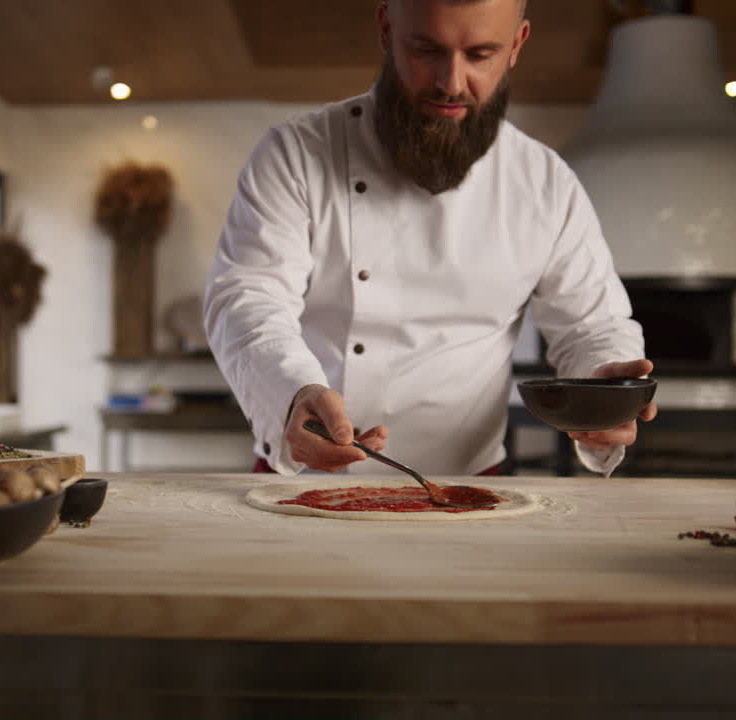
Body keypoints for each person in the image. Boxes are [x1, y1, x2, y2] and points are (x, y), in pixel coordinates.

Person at [204, 0, 656, 477]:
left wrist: (605, 383)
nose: (451, 83)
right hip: (303, 474)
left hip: (468, 488)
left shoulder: (545, 182)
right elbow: (248, 300)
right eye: (426, 49)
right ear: (386, 28)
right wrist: (292, 395)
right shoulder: (295, 154)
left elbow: (592, 325)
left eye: (480, 54)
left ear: (518, 44)